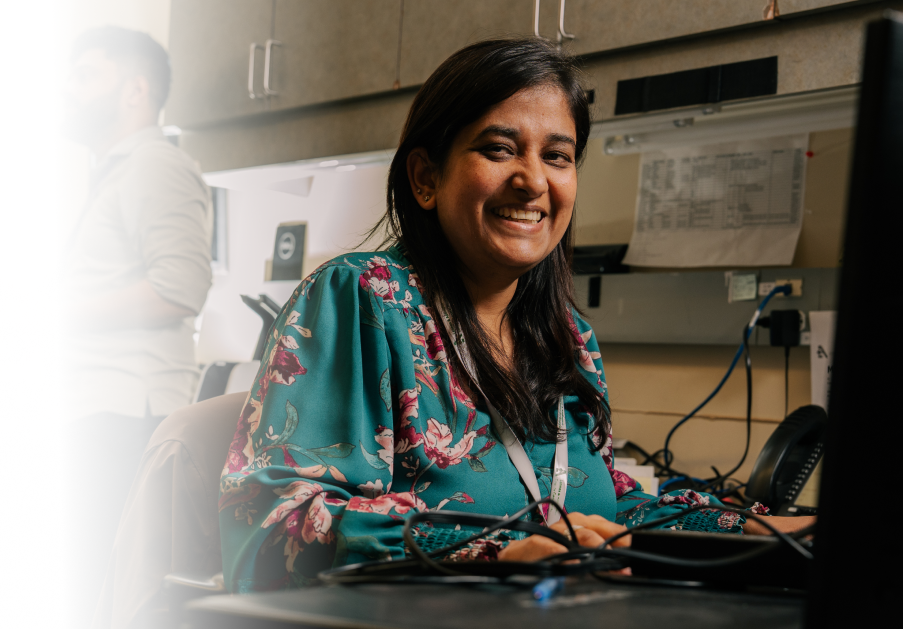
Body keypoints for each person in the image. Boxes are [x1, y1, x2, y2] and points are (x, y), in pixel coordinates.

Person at [218, 38, 812, 591]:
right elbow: (275, 523)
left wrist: (754, 529)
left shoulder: (569, 340)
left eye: (558, 156)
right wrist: (500, 550)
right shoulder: (363, 299)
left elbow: (600, 509)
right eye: (499, 149)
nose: (533, 181)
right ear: (426, 178)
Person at [61, 26, 212, 627]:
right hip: (103, 410)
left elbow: (180, 287)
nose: (68, 90)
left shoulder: (156, 166)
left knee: (99, 584)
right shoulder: (117, 173)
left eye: (85, 74)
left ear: (135, 89)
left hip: (126, 412)